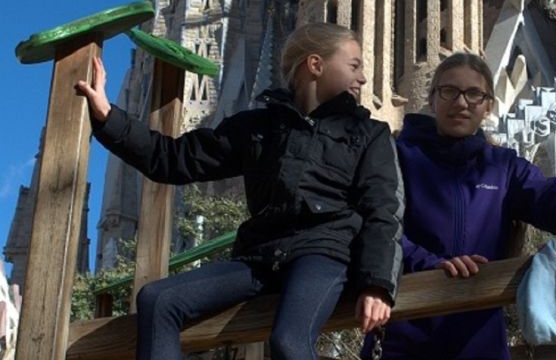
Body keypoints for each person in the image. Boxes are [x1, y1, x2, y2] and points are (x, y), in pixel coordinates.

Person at [77, 23, 404, 360]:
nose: (362, 78)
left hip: (324, 254)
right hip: (261, 258)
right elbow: (174, 159)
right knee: (157, 299)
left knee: (288, 341)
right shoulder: (258, 128)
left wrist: (377, 283)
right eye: (354, 65)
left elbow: (383, 210)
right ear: (315, 65)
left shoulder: (368, 134)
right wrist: (107, 117)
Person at [362, 53, 556, 360]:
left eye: (474, 94)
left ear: (488, 106)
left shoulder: (503, 168)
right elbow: (375, 225)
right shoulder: (396, 158)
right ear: (432, 99)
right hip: (403, 333)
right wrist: (431, 264)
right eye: (449, 91)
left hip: (479, 338)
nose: (461, 103)